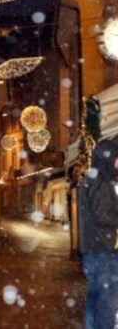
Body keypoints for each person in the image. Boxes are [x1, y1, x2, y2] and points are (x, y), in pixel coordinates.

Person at [79, 139, 118, 329]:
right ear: (108, 158)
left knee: (95, 300)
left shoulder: (91, 179)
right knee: (107, 304)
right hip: (103, 252)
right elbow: (102, 216)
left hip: (93, 251)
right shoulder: (100, 182)